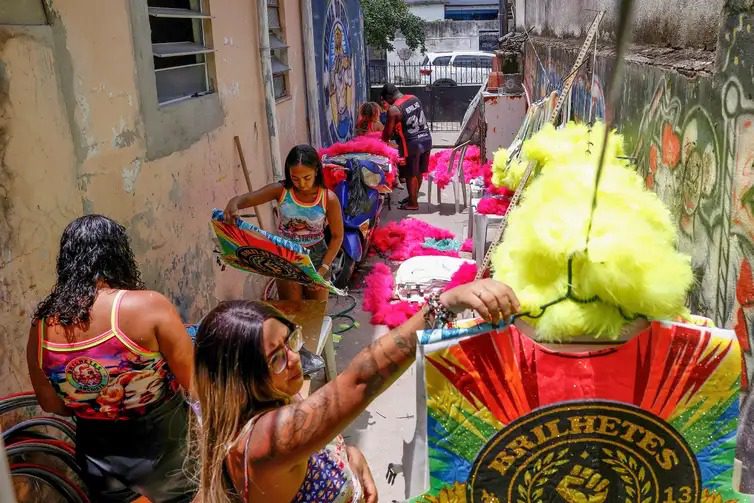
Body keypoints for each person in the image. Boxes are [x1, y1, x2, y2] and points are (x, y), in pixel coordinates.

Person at [192, 278, 519, 502]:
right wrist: (444, 304)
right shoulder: (266, 439)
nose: (294, 358)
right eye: (276, 358)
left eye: (290, 341)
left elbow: (312, 443)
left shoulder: (272, 401)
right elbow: (360, 380)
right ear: (240, 380)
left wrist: (350, 456)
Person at [26, 215, 195, 503]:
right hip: (166, 456)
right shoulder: (147, 306)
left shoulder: (41, 328)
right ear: (119, 254)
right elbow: (194, 382)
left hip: (99, 463)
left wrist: (94, 400)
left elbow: (51, 403)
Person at [224, 144, 344, 301]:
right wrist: (234, 202)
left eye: (307, 178)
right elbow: (248, 199)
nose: (301, 184)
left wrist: (324, 268)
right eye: (295, 178)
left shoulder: (328, 198)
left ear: (316, 170)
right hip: (285, 255)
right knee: (291, 310)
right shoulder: (281, 191)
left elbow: (337, 236)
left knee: (315, 311)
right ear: (289, 173)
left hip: (317, 257)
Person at [381, 83, 433, 210]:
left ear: (389, 97)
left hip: (411, 143)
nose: (386, 103)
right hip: (426, 138)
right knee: (418, 171)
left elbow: (387, 134)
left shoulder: (394, 109)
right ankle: (412, 197)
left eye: (385, 100)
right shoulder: (414, 98)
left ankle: (412, 203)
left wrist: (382, 141)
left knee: (410, 174)